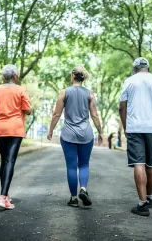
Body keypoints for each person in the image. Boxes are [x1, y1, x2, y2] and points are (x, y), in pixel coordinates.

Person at [119, 57, 152, 216]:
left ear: (135, 69)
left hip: (135, 128)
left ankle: (142, 204)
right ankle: (149, 197)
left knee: (138, 163)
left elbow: (122, 107)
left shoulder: (129, 81)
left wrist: (126, 128)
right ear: (147, 68)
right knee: (150, 163)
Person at [47, 65, 103, 207]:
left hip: (68, 135)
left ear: (72, 76)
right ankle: (83, 189)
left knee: (71, 167)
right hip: (86, 134)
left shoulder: (64, 93)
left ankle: (73, 198)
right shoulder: (89, 94)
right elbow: (94, 114)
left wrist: (51, 130)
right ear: (83, 78)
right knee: (84, 164)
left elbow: (56, 114)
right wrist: (100, 131)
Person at [0, 64, 32, 210]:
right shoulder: (21, 89)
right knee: (10, 161)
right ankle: (2, 196)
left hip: (0, 128)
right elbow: (27, 110)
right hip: (15, 129)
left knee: (5, 160)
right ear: (15, 76)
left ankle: (6, 196)